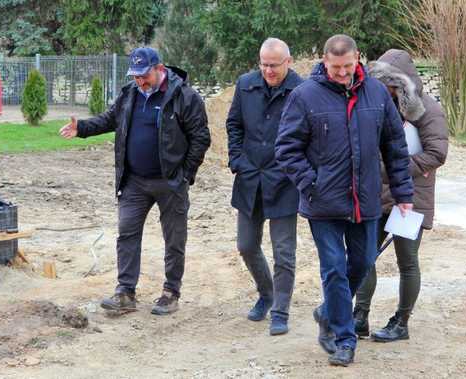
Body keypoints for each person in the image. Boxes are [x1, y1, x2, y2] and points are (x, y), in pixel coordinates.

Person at [275, 35, 413, 366]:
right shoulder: (304, 96)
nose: (341, 73)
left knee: (363, 262)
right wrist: (311, 183)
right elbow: (286, 148)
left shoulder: (378, 93)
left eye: (347, 66)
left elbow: (394, 146)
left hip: (364, 201)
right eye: (335, 67)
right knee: (334, 268)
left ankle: (327, 312)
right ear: (324, 62)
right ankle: (343, 337)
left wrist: (403, 193)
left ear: (357, 60)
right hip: (322, 204)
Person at [59, 47, 210, 316]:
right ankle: (125, 292)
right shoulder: (130, 93)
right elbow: (110, 120)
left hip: (170, 182)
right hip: (134, 181)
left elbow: (201, 138)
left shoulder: (184, 96)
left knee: (174, 239)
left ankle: (170, 292)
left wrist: (184, 175)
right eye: (136, 75)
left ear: (159, 69)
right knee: (127, 234)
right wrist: (81, 128)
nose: (140, 81)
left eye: (144, 75)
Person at [354, 49, 448, 342]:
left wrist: (393, 170)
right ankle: (360, 317)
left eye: (388, 82)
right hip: (377, 193)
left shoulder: (428, 109)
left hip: (412, 194)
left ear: (402, 80)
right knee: (364, 255)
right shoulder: (378, 104)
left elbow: (437, 153)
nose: (382, 87)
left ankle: (402, 321)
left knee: (406, 260)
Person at [225, 38, 303, 336]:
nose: (268, 70)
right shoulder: (246, 84)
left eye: (274, 65)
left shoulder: (302, 91)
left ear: (289, 61)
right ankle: (266, 294)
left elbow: (308, 137)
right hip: (249, 179)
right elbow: (234, 125)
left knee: (284, 253)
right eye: (264, 64)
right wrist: (236, 160)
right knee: (246, 245)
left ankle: (280, 312)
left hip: (284, 182)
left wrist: (295, 171)